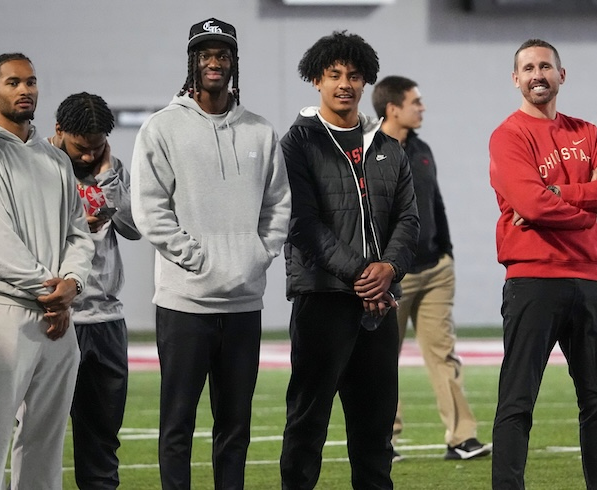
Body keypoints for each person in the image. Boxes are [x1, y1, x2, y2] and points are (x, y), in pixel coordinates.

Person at [131, 18, 291, 489]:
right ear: (192, 63)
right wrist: (195, 258)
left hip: (243, 303)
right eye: (206, 54)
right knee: (177, 424)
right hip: (185, 303)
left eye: (223, 54)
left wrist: (257, 255)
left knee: (235, 427)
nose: (214, 62)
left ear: (234, 63)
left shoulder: (260, 131)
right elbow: (149, 208)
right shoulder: (162, 128)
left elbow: (279, 203)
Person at [278, 31, 419, 489]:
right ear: (316, 80)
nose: (345, 84)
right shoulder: (299, 143)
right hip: (323, 300)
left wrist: (389, 271)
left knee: (375, 435)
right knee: (307, 427)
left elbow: (409, 221)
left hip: (378, 307)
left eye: (354, 76)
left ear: (365, 83)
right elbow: (301, 222)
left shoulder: (389, 147)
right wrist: (363, 273)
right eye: (335, 74)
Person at [489, 38, 597, 489]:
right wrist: (588, 206)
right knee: (517, 399)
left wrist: (561, 195)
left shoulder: (587, 132)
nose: (537, 75)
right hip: (533, 280)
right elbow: (530, 204)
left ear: (561, 75)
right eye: (528, 68)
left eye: (545, 66)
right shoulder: (509, 135)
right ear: (516, 79)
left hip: (589, 280)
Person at [0, 52, 94, 489]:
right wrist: (52, 291)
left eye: (31, 82)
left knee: (45, 441)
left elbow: (78, 233)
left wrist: (73, 283)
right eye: (13, 82)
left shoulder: (54, 159)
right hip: (5, 313)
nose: (26, 89)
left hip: (59, 317)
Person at [372, 75, 491, 462]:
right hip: (392, 275)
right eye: (415, 102)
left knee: (444, 354)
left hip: (436, 269)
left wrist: (448, 252)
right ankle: (381, 440)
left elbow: (434, 202)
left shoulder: (422, 149)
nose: (422, 108)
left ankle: (461, 439)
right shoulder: (368, 150)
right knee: (381, 357)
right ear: (393, 108)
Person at [50, 92, 141, 489]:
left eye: (97, 147)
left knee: (102, 440)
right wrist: (73, 226)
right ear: (59, 132)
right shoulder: (38, 168)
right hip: (55, 318)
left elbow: (135, 228)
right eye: (80, 148)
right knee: (39, 435)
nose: (88, 156)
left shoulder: (111, 168)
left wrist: (107, 178)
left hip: (106, 321)